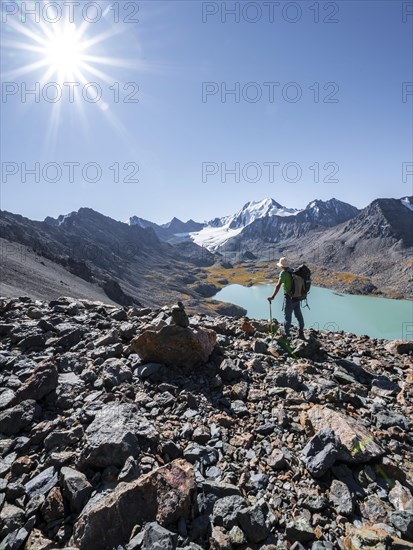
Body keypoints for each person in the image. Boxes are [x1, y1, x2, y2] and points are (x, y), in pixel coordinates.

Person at [268, 257, 305, 340]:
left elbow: (278, 285)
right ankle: (301, 332)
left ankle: (286, 335)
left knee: (287, 317)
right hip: (297, 297)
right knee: (299, 315)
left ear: (281, 265)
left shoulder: (284, 273)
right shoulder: (293, 271)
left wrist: (272, 296)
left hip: (289, 298)